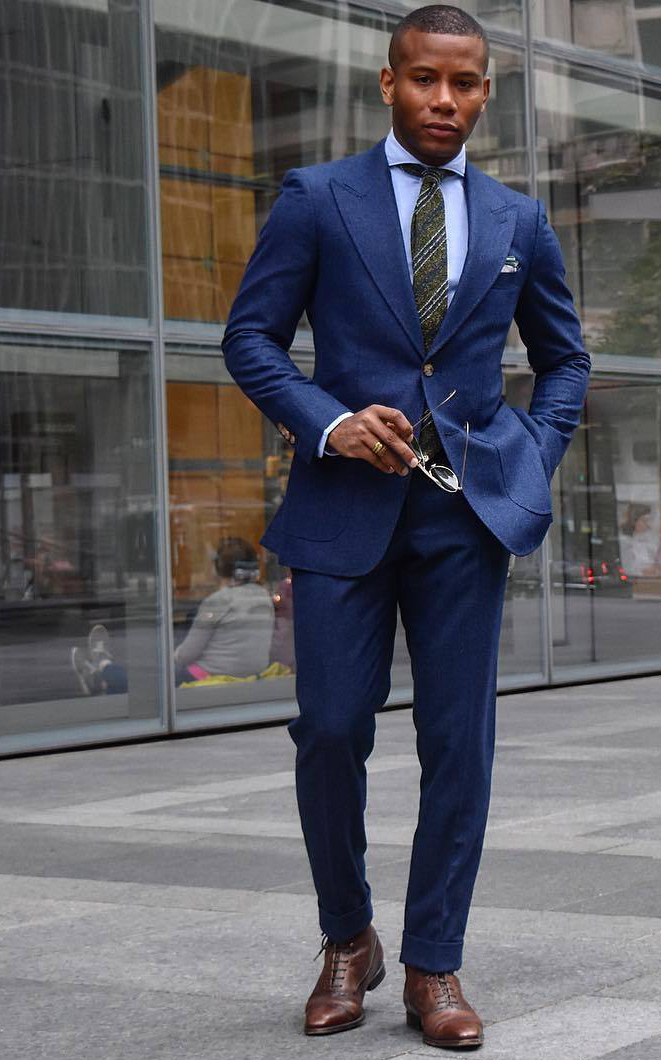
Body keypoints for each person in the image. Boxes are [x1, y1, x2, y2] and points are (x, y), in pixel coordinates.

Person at [221, 4, 590, 1049]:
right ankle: (350, 938)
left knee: (457, 746)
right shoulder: (318, 199)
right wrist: (329, 421)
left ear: (485, 91)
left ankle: (433, 963)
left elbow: (564, 358)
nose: (444, 99)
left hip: (461, 520)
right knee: (330, 731)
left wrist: (531, 449)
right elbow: (249, 338)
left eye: (464, 83)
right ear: (387, 82)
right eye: (425, 79)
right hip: (340, 510)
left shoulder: (518, 219)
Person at [70, 537, 275, 694]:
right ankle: (100, 677)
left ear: (219, 568)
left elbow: (186, 655)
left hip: (207, 677)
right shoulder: (264, 596)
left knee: (145, 686)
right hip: (250, 676)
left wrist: (172, 658)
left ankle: (102, 667)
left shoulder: (219, 601)